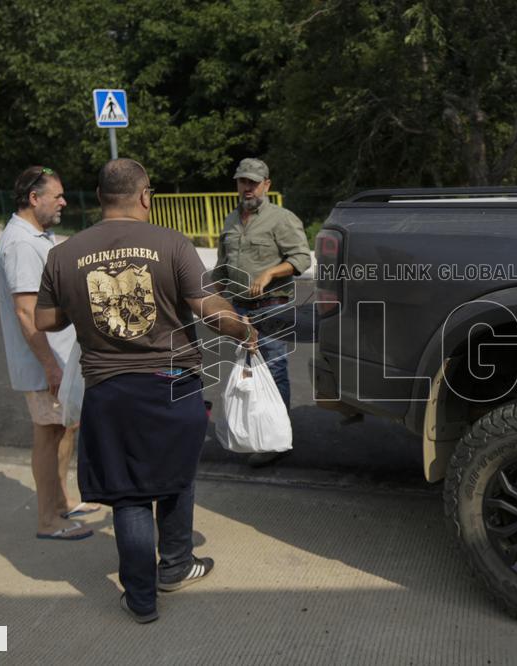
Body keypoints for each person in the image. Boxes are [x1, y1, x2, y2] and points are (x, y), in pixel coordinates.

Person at [35, 158, 257, 624]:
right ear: (145, 196)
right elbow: (207, 307)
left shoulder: (64, 253)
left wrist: (85, 305)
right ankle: (175, 566)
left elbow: (45, 320)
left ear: (98, 198)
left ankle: (140, 599)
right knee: (175, 475)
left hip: (108, 390)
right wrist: (240, 328)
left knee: (129, 492)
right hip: (172, 386)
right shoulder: (171, 243)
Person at [0, 166, 98, 542]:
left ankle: (61, 504)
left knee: (64, 428)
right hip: (46, 362)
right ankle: (47, 519)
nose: (63, 202)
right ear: (33, 198)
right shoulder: (22, 244)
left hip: (58, 358)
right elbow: (26, 312)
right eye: (56, 196)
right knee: (48, 434)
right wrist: (51, 367)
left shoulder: (38, 236)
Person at [211, 158, 311, 466]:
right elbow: (221, 267)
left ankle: (277, 439)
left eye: (254, 182)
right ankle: (255, 429)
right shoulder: (230, 221)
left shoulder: (281, 219)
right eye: (243, 181)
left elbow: (301, 258)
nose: (248, 187)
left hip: (272, 307)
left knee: (275, 369)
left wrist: (269, 273)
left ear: (266, 185)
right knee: (248, 371)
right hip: (239, 308)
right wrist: (214, 298)